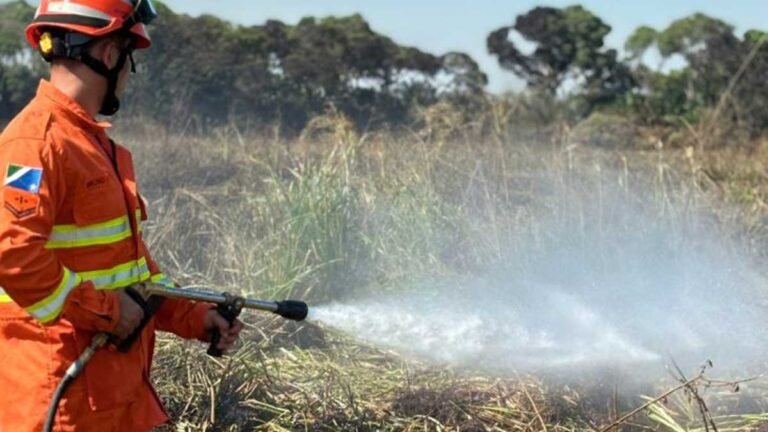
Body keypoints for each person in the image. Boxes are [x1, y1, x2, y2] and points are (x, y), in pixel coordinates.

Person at [0, 1, 243, 430]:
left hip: (108, 396)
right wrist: (107, 311)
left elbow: (129, 272)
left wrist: (194, 317)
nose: (129, 75)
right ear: (110, 54)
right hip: (58, 402)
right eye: (130, 59)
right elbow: (10, 253)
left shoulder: (93, 148)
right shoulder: (35, 143)